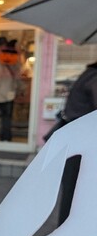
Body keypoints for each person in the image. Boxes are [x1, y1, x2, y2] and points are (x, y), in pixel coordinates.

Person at [46, 61, 97, 224]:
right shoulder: (94, 77)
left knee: (74, 191)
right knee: (77, 192)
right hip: (83, 143)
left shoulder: (89, 74)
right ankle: (68, 232)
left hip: (77, 141)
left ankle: (67, 230)